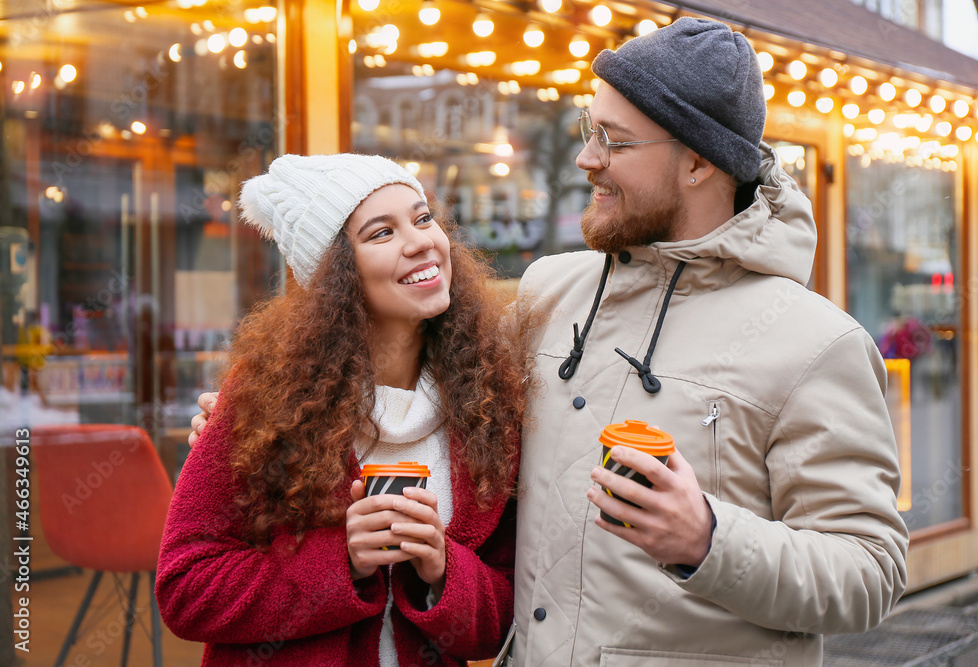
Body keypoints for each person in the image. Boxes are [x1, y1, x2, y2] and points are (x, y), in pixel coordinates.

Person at [190, 18, 908, 666]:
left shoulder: (818, 343)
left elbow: (869, 573)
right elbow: (419, 368)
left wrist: (709, 539)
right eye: (588, 130)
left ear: (698, 164)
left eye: (614, 141)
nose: (586, 160)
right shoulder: (547, 294)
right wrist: (255, 418)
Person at [157, 154, 523, 667]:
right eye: (381, 233)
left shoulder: (486, 405)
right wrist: (341, 561)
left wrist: (444, 570)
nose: (421, 240)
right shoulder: (266, 401)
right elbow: (186, 587)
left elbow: (507, 611)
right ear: (337, 276)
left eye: (422, 219)